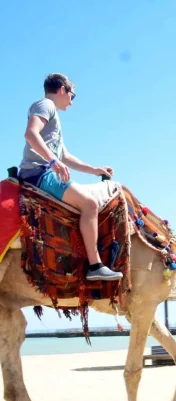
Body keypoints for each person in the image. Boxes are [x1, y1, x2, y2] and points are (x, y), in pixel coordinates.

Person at [17, 73, 121, 281]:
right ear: (62, 89)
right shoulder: (46, 105)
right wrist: (53, 162)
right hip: (39, 173)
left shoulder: (53, 118)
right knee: (90, 204)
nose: (72, 102)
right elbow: (30, 134)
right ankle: (95, 265)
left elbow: (65, 156)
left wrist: (95, 170)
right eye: (73, 96)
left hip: (42, 170)